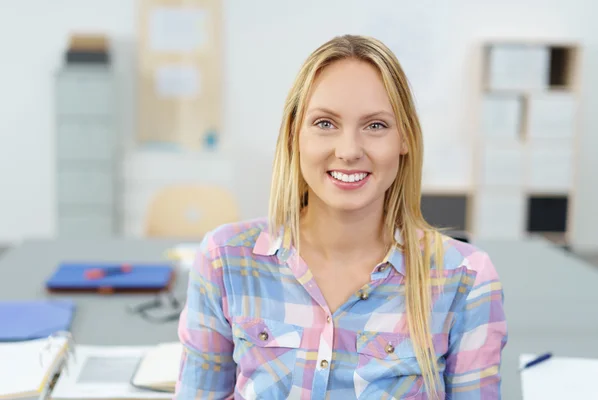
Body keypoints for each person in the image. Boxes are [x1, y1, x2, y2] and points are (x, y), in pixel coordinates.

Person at [174, 34, 508, 399]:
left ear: (405, 139)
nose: (349, 151)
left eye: (376, 126)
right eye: (325, 123)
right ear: (293, 135)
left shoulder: (465, 279)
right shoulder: (225, 260)